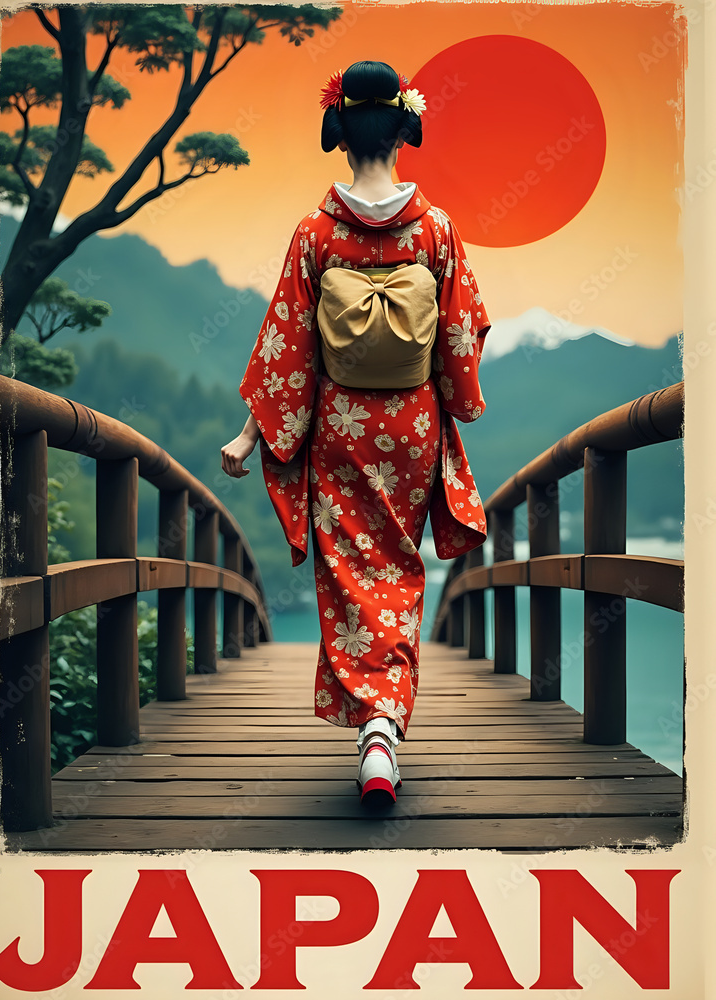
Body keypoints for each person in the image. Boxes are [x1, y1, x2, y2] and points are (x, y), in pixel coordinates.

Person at [221, 60, 491, 804]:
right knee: (398, 567)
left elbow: (289, 350)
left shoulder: (315, 234)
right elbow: (461, 340)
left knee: (347, 572)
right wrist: (456, 402)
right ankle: (385, 725)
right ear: (405, 128)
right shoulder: (436, 230)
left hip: (340, 425)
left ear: (339, 133)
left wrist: (250, 437)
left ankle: (369, 718)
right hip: (409, 425)